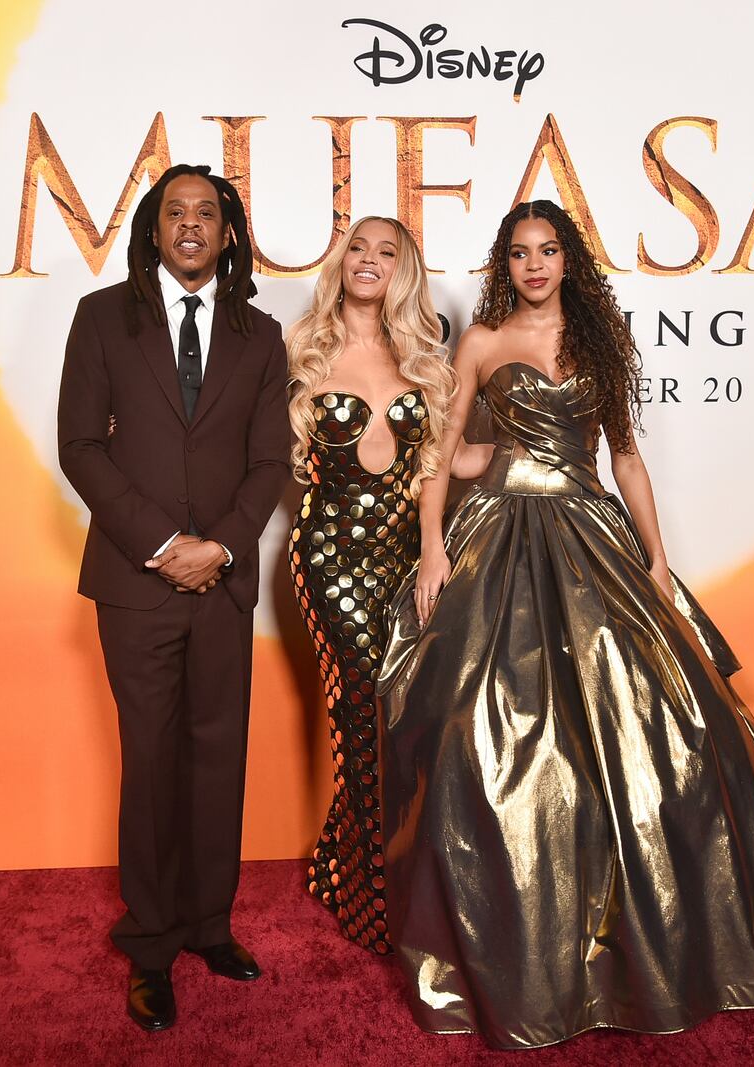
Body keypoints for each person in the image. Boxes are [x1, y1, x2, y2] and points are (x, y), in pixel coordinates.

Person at [376, 200, 754, 1049]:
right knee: (480, 736)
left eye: (549, 251)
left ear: (568, 261)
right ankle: (521, 945)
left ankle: (662, 932)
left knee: (679, 733)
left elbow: (624, 457)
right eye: (520, 254)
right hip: (502, 536)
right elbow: (440, 456)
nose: (535, 266)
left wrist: (657, 559)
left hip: (593, 536)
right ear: (503, 264)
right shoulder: (480, 344)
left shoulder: (596, 341)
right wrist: (434, 547)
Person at [57, 164, 290, 1033]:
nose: (190, 225)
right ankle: (150, 944)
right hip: (135, 581)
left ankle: (209, 926)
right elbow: (81, 445)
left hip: (222, 583)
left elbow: (270, 461)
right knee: (150, 760)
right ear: (153, 229)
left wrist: (222, 545)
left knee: (217, 756)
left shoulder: (261, 335)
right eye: (173, 212)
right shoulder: (101, 318)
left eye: (206, 213)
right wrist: (162, 546)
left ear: (228, 234)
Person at [285, 216, 488, 953]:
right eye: (358, 249)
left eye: (387, 252)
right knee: (362, 708)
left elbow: (452, 462)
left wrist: (543, 444)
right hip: (330, 559)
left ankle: (340, 866)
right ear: (341, 262)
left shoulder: (422, 357)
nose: (369, 261)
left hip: (406, 562)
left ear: (402, 271)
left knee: (401, 718)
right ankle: (373, 900)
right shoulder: (301, 350)